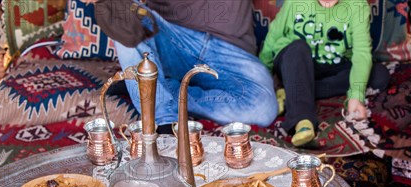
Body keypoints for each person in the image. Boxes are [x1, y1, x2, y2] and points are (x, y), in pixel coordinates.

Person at [106, 0, 278, 133]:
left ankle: (154, 87)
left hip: (232, 50)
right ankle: (164, 117)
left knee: (263, 108)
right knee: (121, 13)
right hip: (171, 37)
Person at [259, 0, 390, 147]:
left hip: (334, 66)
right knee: (298, 48)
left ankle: (292, 92)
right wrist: (264, 81)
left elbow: (362, 53)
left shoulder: (357, 5)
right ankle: (302, 119)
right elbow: (272, 39)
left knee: (379, 75)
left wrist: (356, 95)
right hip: (295, 63)